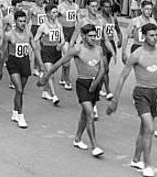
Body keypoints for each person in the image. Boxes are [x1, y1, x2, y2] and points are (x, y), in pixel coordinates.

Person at [107, 23, 157, 177]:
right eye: (151, 35)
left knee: (144, 130)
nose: (154, 38)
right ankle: (147, 165)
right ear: (144, 36)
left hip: (155, 93)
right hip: (141, 94)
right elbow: (122, 77)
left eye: (156, 35)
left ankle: (135, 159)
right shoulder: (137, 55)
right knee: (150, 128)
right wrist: (115, 100)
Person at [38, 24, 106, 157]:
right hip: (83, 84)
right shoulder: (77, 50)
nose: (93, 38)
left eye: (95, 36)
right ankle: (95, 146)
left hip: (95, 83)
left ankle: (77, 139)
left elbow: (103, 67)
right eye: (90, 36)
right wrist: (46, 76)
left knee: (84, 114)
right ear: (83, 36)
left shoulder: (99, 49)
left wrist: (96, 82)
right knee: (91, 115)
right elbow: (59, 63)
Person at [3, 10, 42, 128]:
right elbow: (4, 52)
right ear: (15, 22)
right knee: (19, 89)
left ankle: (15, 112)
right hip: (13, 62)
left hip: (25, 62)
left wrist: (41, 65)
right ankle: (21, 116)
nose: (22, 23)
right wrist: (0, 69)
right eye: (20, 21)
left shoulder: (29, 34)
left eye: (24, 21)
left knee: (20, 91)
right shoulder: (9, 35)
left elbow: (35, 49)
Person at [33, 3, 64, 105]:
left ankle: (45, 91)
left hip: (56, 51)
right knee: (51, 74)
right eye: (53, 12)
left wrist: (60, 45)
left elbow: (62, 39)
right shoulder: (43, 26)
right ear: (47, 13)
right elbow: (35, 39)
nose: (56, 14)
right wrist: (39, 48)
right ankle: (54, 95)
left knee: (51, 73)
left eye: (56, 12)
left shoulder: (59, 26)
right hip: (46, 51)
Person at [121, 0, 157, 64]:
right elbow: (126, 36)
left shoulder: (153, 21)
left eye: (150, 9)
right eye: (146, 9)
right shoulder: (135, 21)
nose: (149, 11)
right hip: (137, 47)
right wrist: (123, 53)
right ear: (141, 9)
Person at [99, 0, 121, 99]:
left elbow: (118, 30)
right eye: (106, 7)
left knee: (104, 68)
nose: (108, 9)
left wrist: (120, 40)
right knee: (105, 69)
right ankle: (108, 90)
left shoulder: (113, 18)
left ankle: (97, 85)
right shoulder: (99, 19)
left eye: (109, 7)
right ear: (102, 7)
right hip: (101, 43)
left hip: (110, 43)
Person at [57, 0, 80, 91]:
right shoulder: (60, 7)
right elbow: (54, 20)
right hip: (63, 33)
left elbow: (79, 22)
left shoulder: (76, 7)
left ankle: (62, 76)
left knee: (67, 57)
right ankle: (67, 80)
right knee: (67, 55)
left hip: (72, 32)